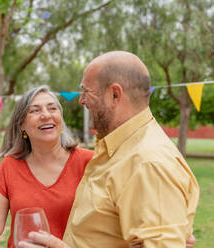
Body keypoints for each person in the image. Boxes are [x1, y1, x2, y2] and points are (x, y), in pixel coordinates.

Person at [18, 51, 200, 248]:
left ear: (114, 95)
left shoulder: (148, 163)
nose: (81, 101)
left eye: (86, 91)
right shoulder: (119, 148)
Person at [0, 85, 94, 247]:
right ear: (22, 124)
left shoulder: (90, 162)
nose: (45, 115)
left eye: (52, 108)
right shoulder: (10, 166)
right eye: (35, 110)